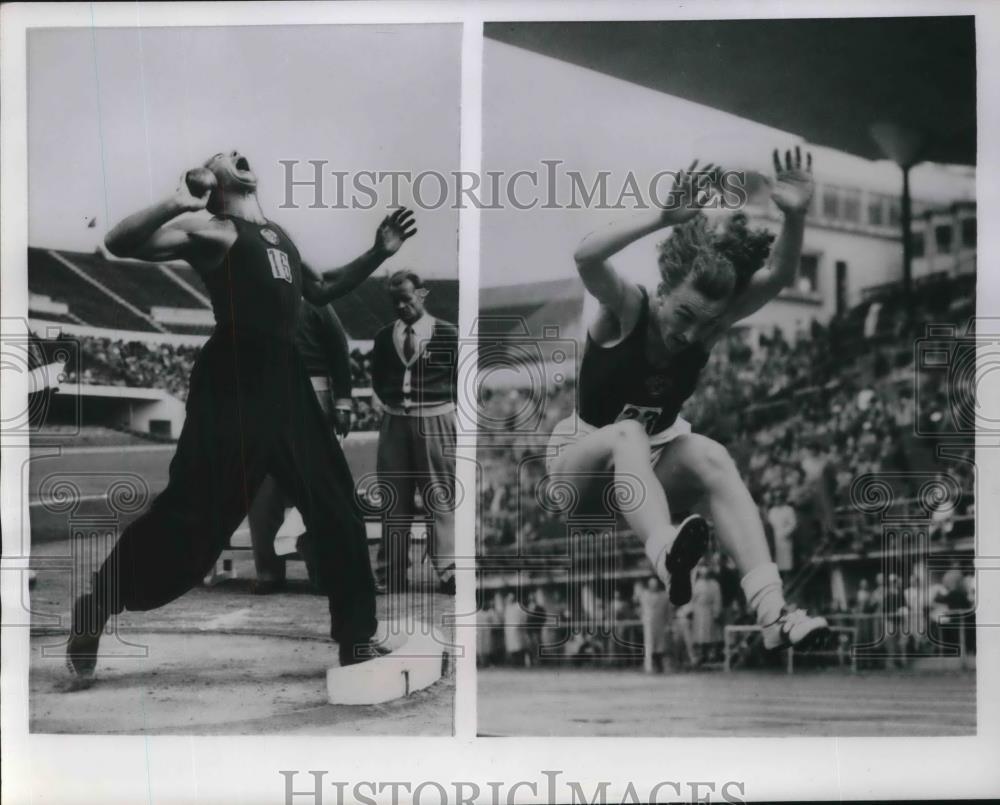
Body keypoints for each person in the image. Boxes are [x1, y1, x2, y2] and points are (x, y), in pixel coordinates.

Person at [66, 150, 417, 676]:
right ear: (217, 181)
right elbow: (119, 243)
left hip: (286, 377)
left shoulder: (279, 235)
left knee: (336, 504)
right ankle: (97, 607)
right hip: (233, 375)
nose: (236, 154)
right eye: (223, 156)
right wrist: (176, 201)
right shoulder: (214, 230)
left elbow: (320, 291)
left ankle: (356, 640)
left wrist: (377, 253)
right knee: (194, 514)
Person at [547, 148, 828, 651]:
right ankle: (666, 552)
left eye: (706, 322)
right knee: (628, 432)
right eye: (684, 314)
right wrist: (660, 217)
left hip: (649, 476)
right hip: (582, 472)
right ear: (662, 293)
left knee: (711, 454)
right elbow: (586, 256)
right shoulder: (627, 309)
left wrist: (795, 215)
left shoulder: (704, 328)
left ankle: (772, 613)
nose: (691, 332)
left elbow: (779, 277)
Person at [248, 302, 355, 594]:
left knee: (316, 488)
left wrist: (343, 402)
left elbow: (338, 349)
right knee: (263, 487)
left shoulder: (317, 301)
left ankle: (323, 572)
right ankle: (268, 571)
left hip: (312, 392)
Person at [371, 269, 458, 595]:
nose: (401, 306)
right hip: (395, 421)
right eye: (395, 302)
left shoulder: (448, 334)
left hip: (436, 419)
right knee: (394, 499)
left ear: (421, 294)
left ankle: (449, 569)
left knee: (440, 496)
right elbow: (379, 378)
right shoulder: (384, 337)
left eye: (406, 299)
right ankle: (392, 572)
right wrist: (394, 402)